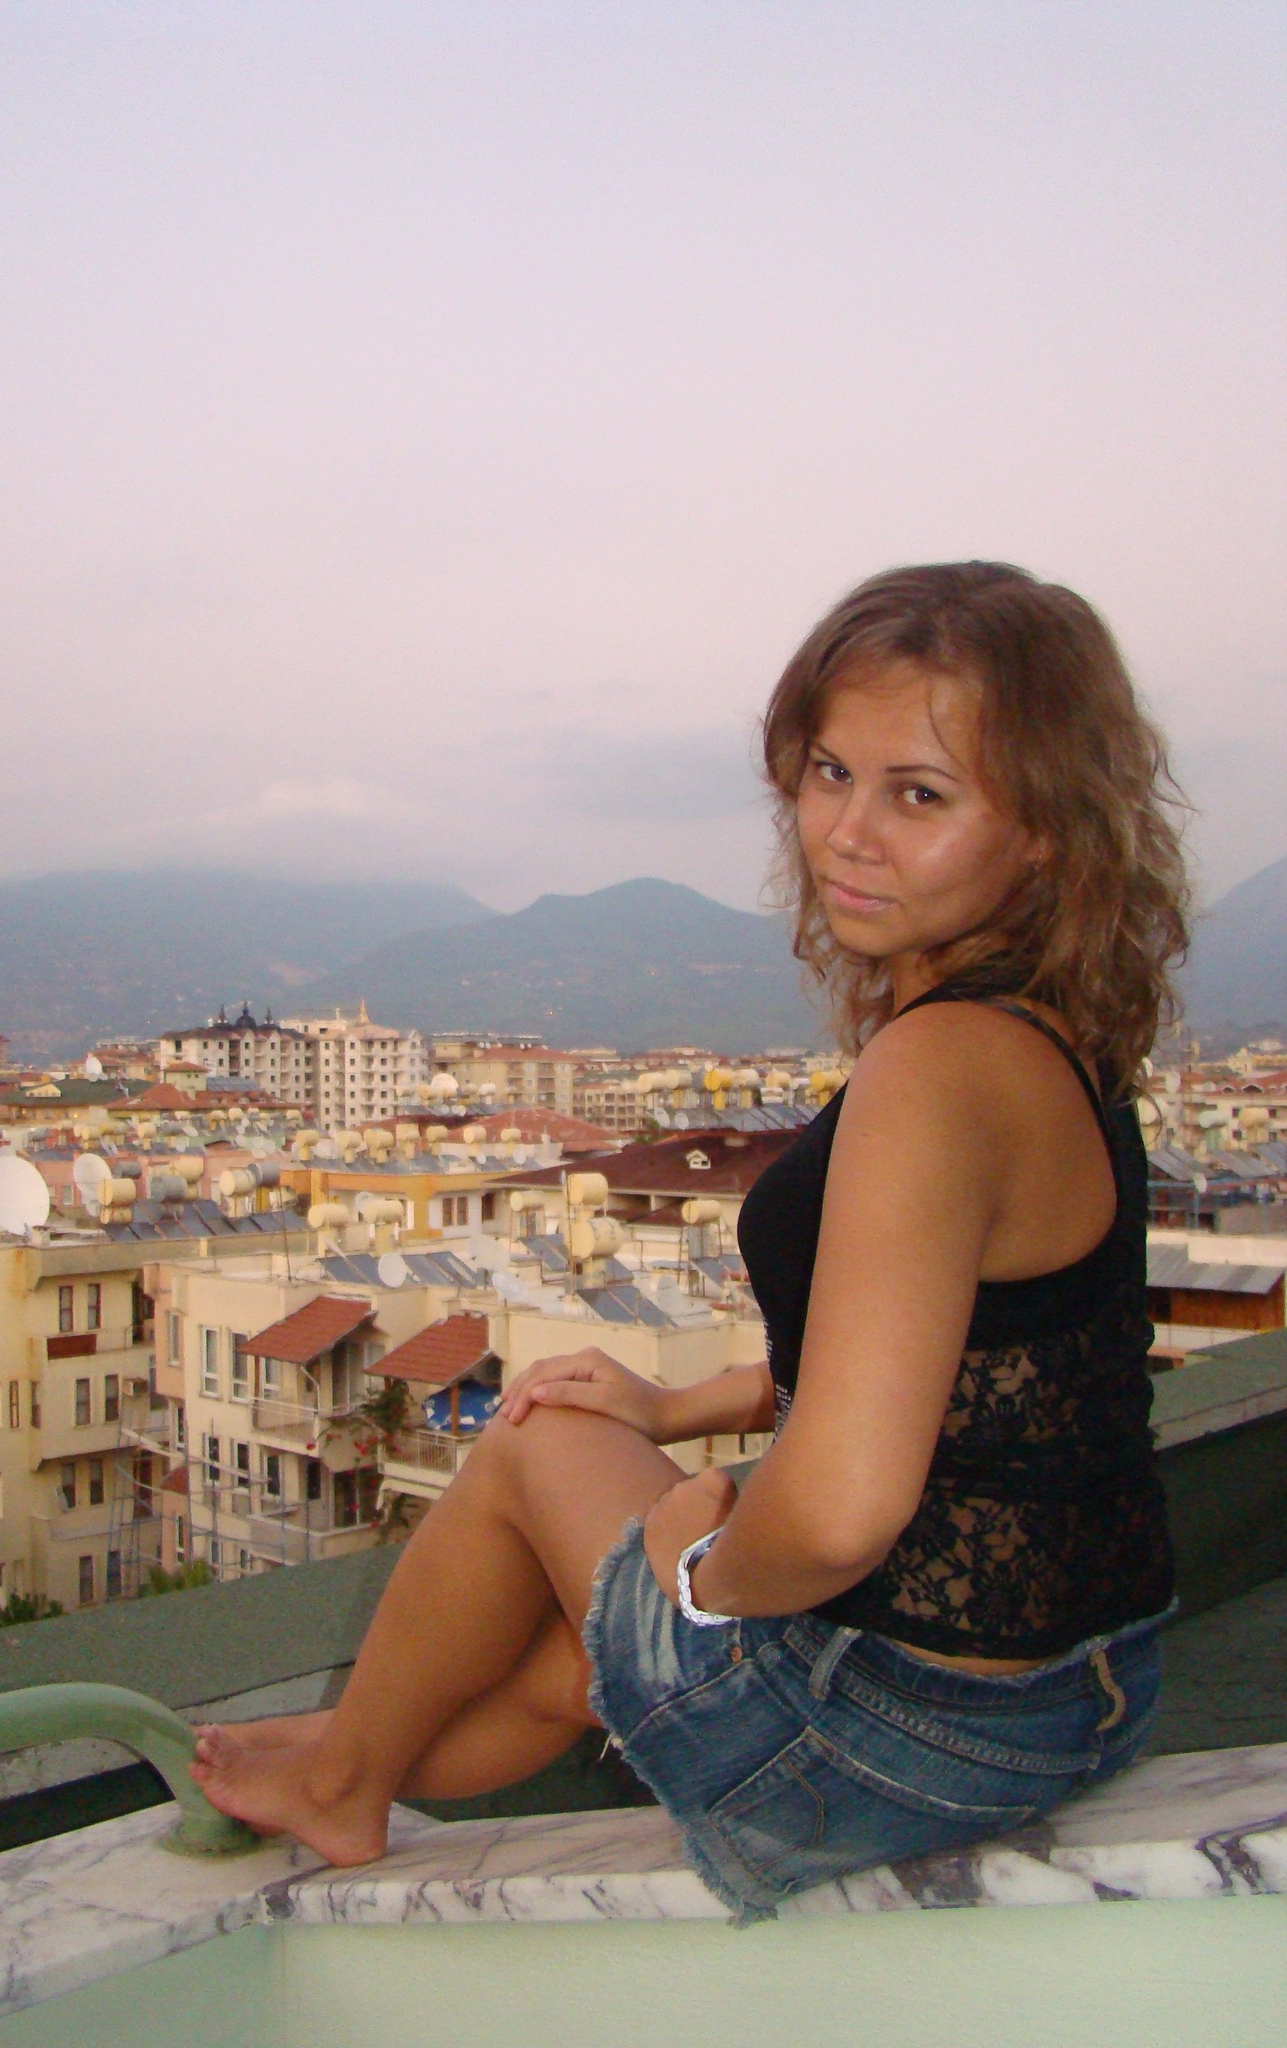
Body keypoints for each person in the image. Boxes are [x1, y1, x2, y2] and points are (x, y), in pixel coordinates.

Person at [191, 561, 1190, 1918]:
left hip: (915, 1738)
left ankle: (341, 1782)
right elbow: (975, 1374)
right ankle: (349, 1761)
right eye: (831, 773)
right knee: (571, 1648)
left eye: (920, 794)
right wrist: (677, 1409)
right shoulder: (1057, 1040)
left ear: (1047, 833)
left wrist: (705, 1566)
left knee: (536, 1441)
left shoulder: (938, 1069)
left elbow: (837, 1514)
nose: (847, 834)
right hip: (1086, 1691)